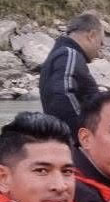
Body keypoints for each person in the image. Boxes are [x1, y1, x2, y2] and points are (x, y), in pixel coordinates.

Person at [40, 11, 105, 142]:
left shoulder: (61, 54)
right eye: (101, 43)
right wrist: (85, 136)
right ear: (91, 36)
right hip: (74, 143)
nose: (100, 49)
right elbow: (63, 94)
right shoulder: (69, 54)